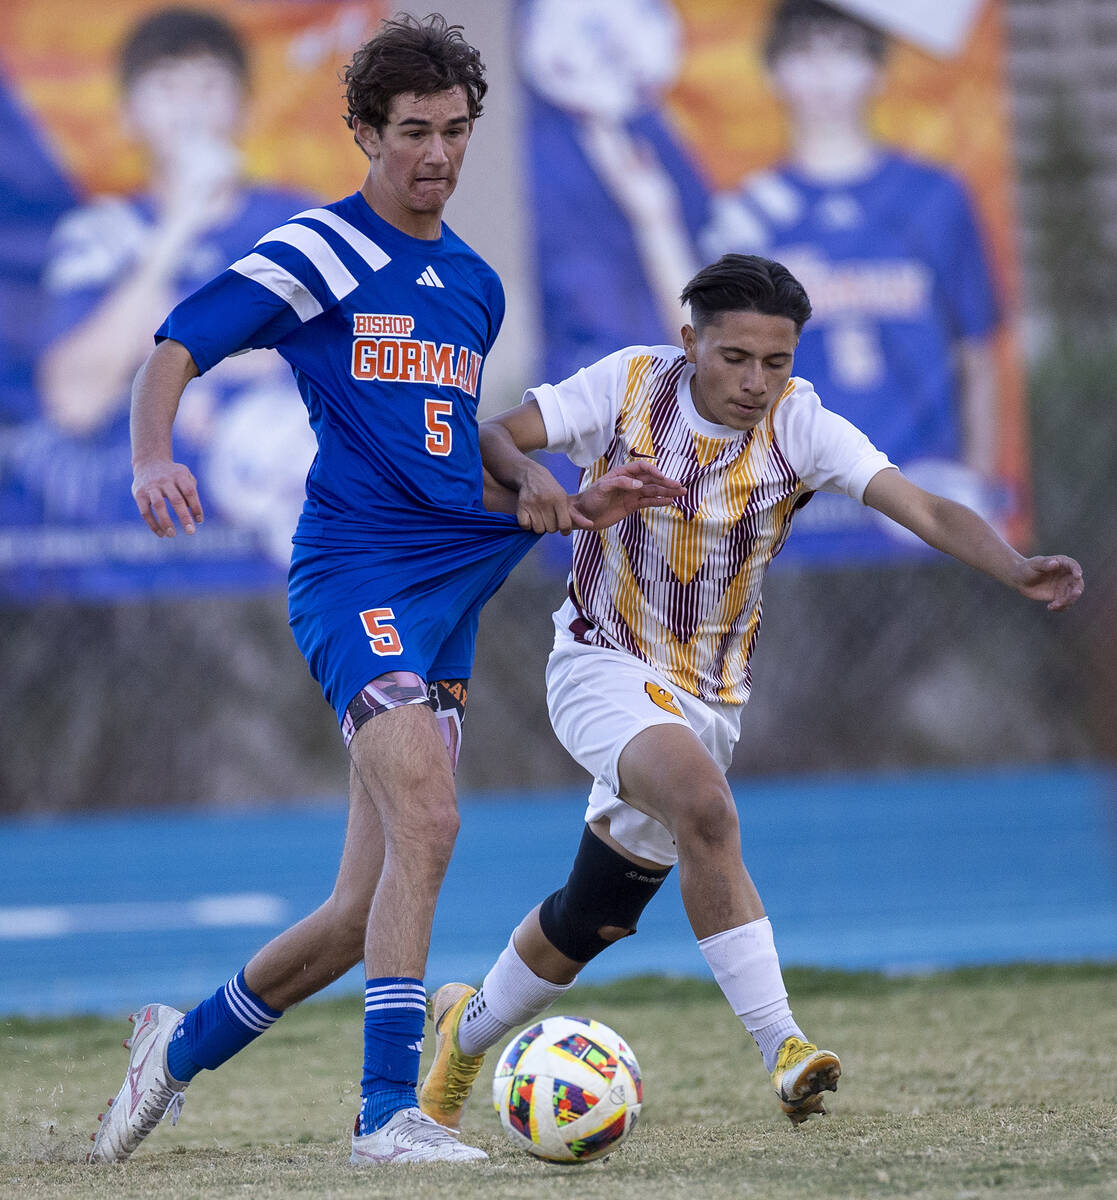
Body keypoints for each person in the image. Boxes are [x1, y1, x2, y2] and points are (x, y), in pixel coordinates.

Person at [89, 13, 681, 1168]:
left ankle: (173, 1047)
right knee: (432, 817)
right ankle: (384, 1118)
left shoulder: (472, 283)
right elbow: (174, 347)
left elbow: (462, 436)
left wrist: (561, 491)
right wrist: (151, 455)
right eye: (412, 131)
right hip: (355, 577)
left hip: (454, 582)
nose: (437, 155)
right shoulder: (317, 249)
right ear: (362, 130)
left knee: (363, 915)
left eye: (455, 132)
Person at [417, 253, 1084, 1135]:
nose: (755, 380)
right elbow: (490, 432)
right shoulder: (626, 387)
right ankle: (785, 1047)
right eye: (734, 358)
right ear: (689, 341)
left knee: (596, 915)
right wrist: (539, 479)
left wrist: (1012, 567)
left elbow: (920, 507)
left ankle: (461, 1039)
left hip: (709, 700)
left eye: (776, 362)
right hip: (598, 665)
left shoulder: (800, 426)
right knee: (705, 808)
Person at [701, 0, 1007, 560]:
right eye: (804, 56)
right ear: (773, 72)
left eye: (843, 55)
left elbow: (978, 351)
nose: (824, 77)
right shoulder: (745, 214)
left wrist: (979, 480)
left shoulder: (934, 196)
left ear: (877, 70)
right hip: (791, 498)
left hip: (922, 487)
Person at [26, 6, 319, 591]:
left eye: (208, 85)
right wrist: (179, 224)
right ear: (129, 114)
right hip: (135, 560)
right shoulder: (101, 232)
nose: (189, 108)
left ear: (242, 106)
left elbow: (352, 361)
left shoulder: (298, 223)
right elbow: (75, 399)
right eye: (167, 87)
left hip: (284, 541)